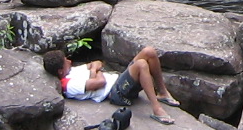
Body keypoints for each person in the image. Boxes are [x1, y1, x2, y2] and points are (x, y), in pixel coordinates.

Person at [43, 47, 180, 125]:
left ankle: (162, 92)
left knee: (149, 52)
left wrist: (93, 71)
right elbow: (100, 83)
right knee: (141, 64)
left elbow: (97, 63)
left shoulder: (73, 70)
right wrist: (97, 73)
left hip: (118, 80)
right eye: (65, 61)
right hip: (117, 93)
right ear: (60, 71)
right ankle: (157, 109)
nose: (69, 60)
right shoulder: (69, 84)